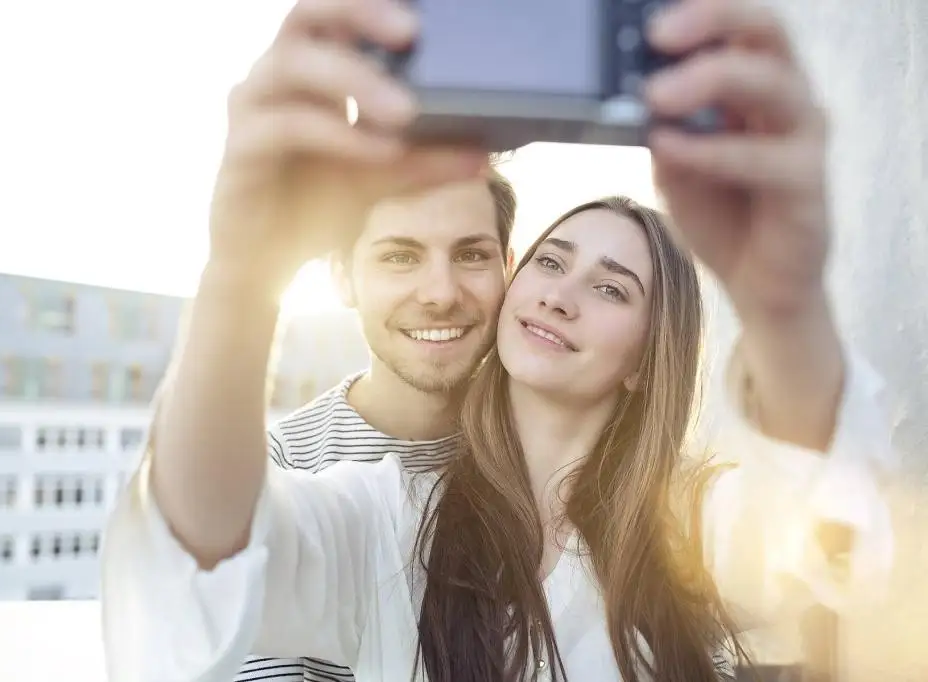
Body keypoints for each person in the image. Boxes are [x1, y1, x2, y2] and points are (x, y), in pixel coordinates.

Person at [100, 1, 895, 681]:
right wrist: (243, 273)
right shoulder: (393, 517)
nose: (561, 292)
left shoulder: (696, 520)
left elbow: (833, 539)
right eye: (553, 261)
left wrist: (786, 309)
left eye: (612, 287)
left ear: (646, 362)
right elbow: (199, 560)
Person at [239, 168, 517, 682]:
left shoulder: (542, 450)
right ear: (342, 276)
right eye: (400, 257)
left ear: (508, 269)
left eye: (471, 254)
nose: (440, 293)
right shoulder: (281, 468)